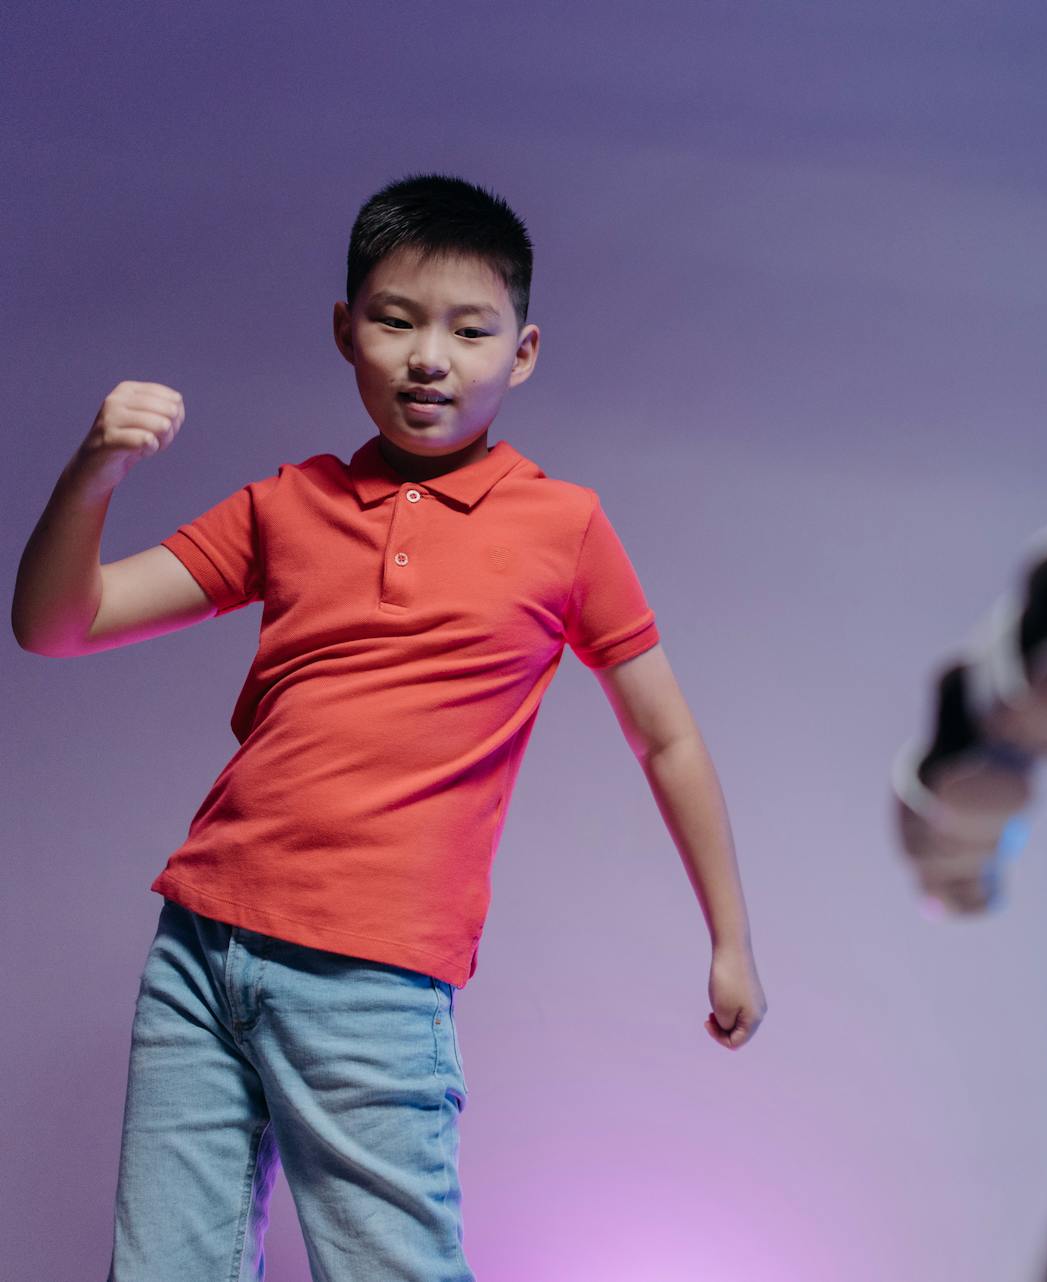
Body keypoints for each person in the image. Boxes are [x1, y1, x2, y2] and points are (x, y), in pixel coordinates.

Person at [11, 173, 767, 1279]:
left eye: (470, 330)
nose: (429, 357)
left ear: (524, 352)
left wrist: (731, 937)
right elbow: (55, 626)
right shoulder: (288, 503)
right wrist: (95, 474)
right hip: (199, 944)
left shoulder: (564, 527)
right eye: (396, 320)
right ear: (344, 330)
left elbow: (667, 738)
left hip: (371, 974)